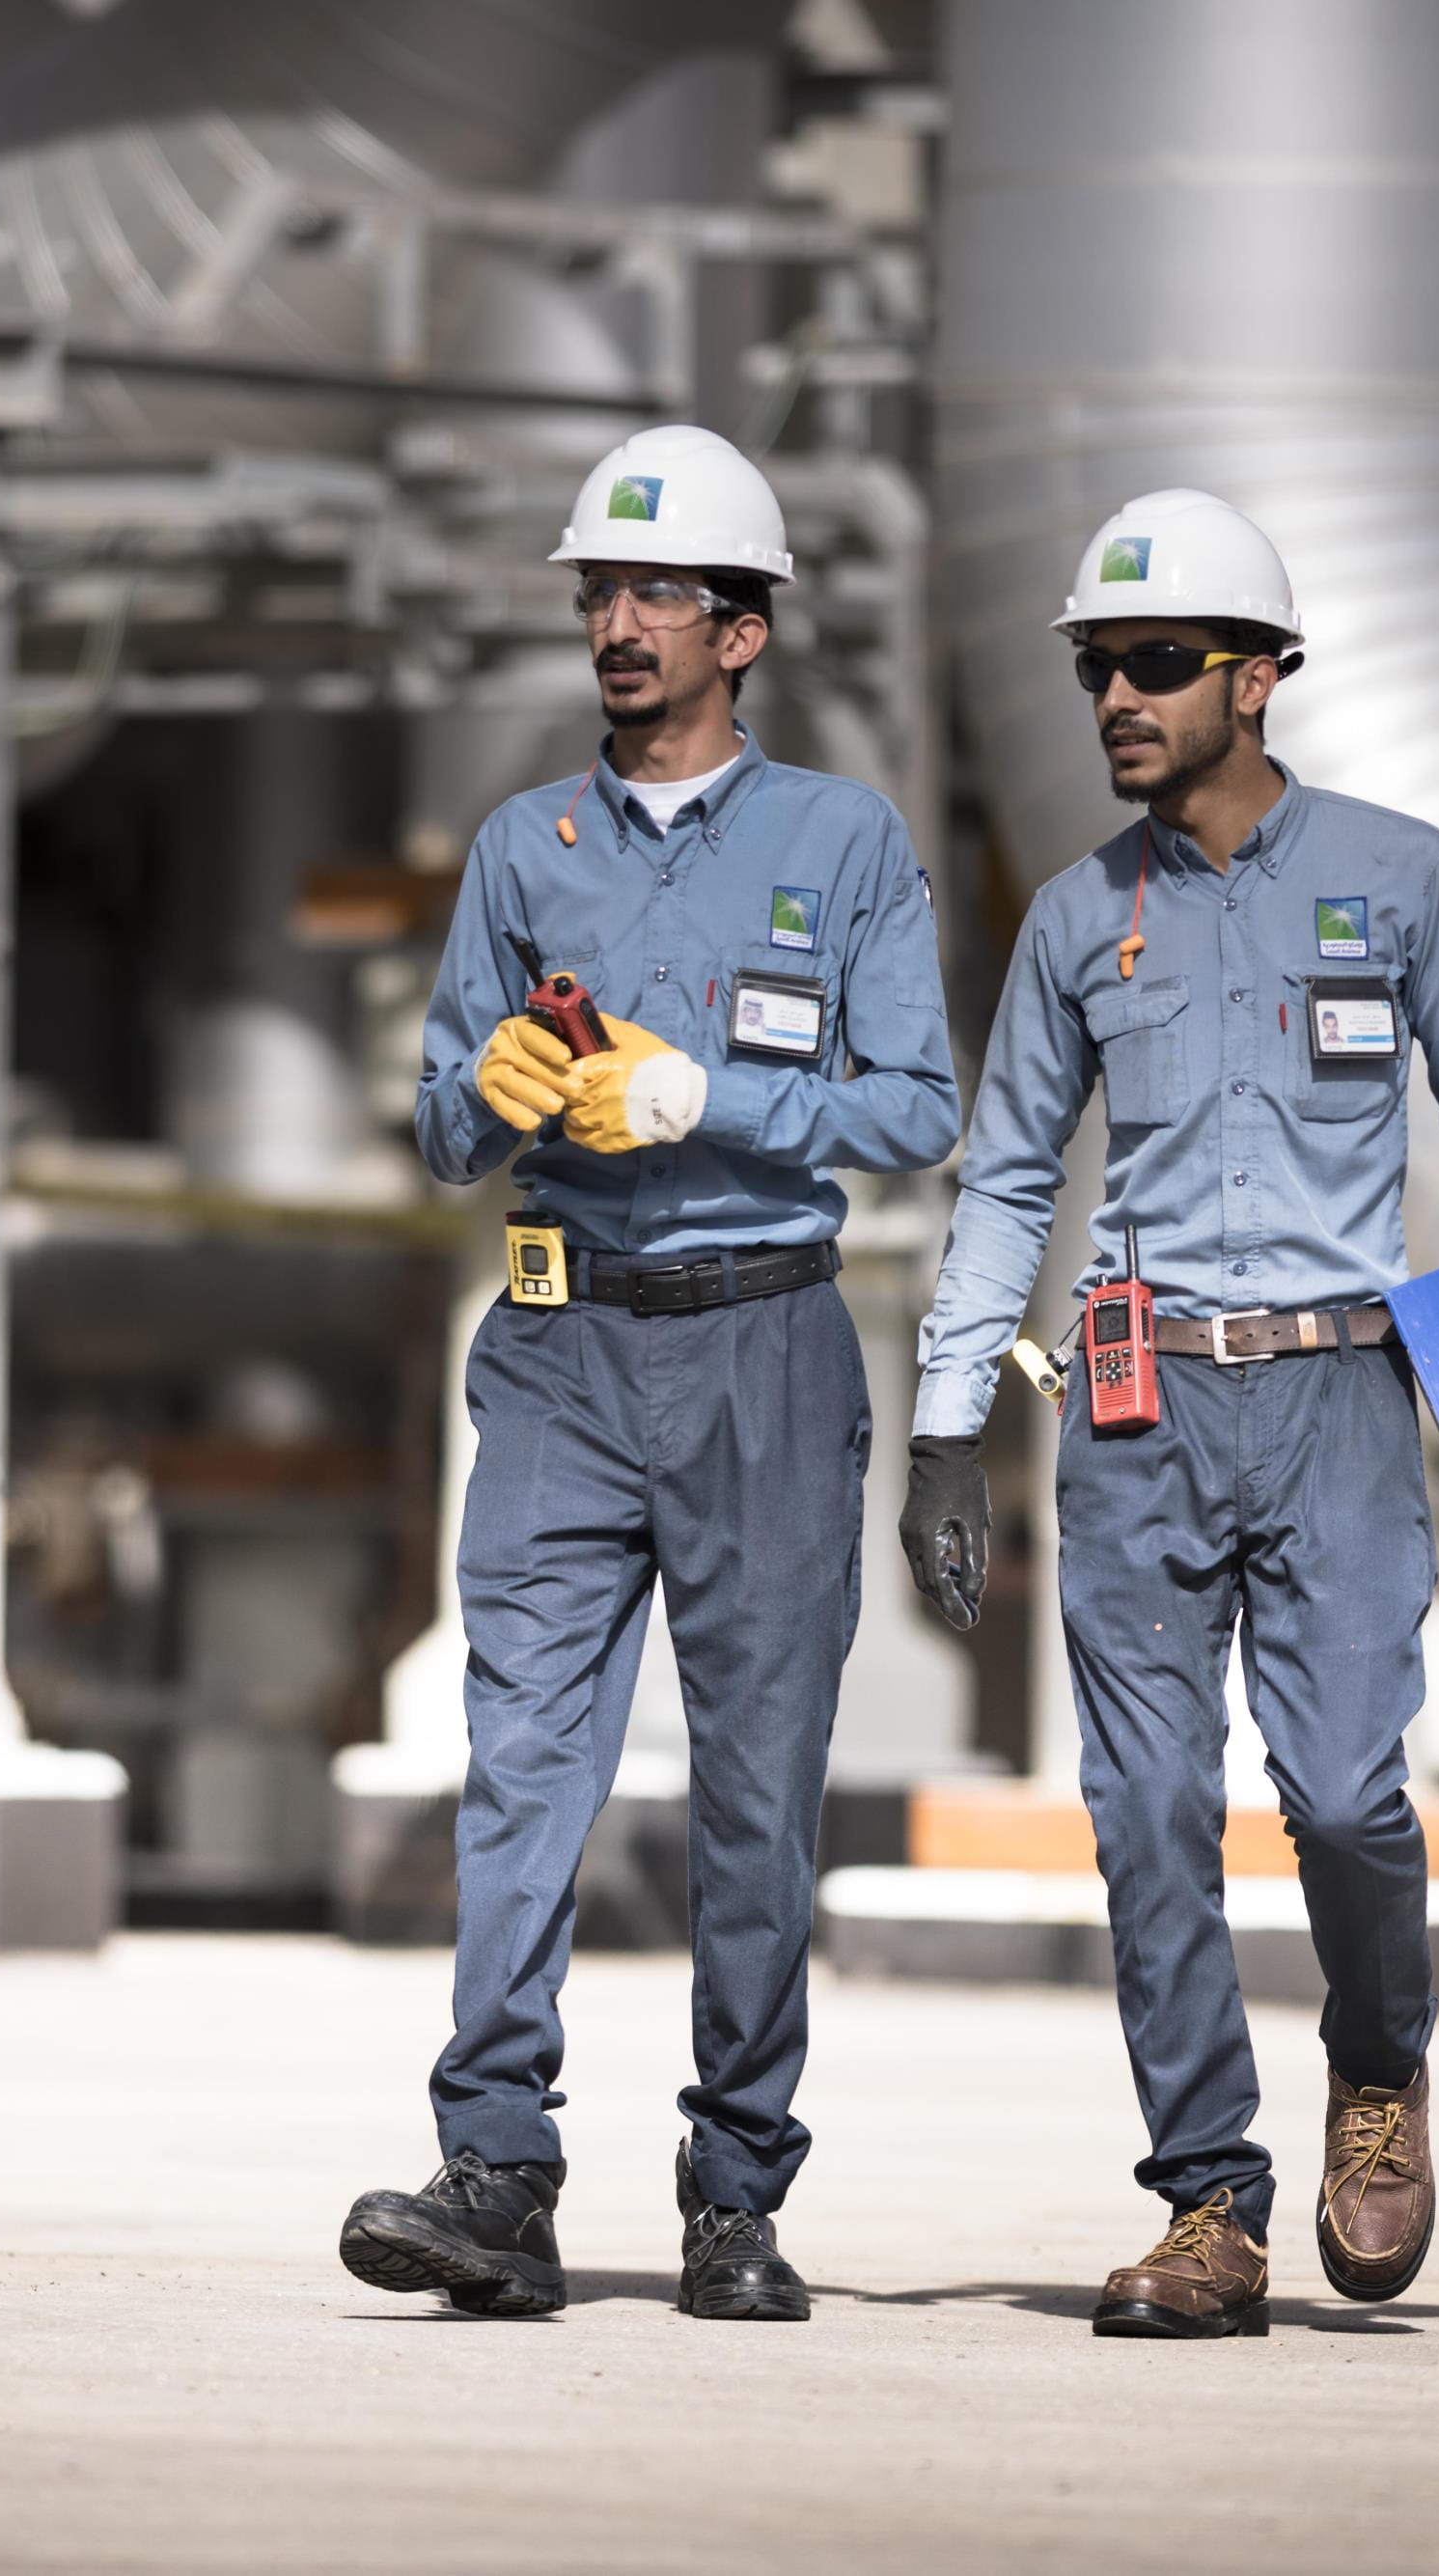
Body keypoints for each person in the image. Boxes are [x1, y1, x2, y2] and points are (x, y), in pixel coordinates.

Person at [899, 487, 1439, 2340]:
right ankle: (1209, 2198)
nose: (1114, 694)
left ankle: (1381, 2073)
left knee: (1353, 1794)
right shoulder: (1072, 922)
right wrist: (951, 1422)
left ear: (1257, 677)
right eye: (1092, 666)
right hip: (1132, 1412)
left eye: (1153, 662)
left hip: (1345, 1396)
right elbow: (1007, 1181)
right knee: (1138, 1811)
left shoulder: (1405, 875)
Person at [336, 424, 957, 2324]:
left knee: (758, 1790)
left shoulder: (839, 844)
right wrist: (478, 1092)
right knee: (520, 1760)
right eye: (595, 593)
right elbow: (438, 1119)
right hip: (553, 1343)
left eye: (651, 595)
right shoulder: (520, 849)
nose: (613, 622)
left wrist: (715, 1096)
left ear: (740, 630)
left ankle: (731, 2196)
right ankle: (495, 2174)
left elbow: (919, 1105)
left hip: (765, 1343)